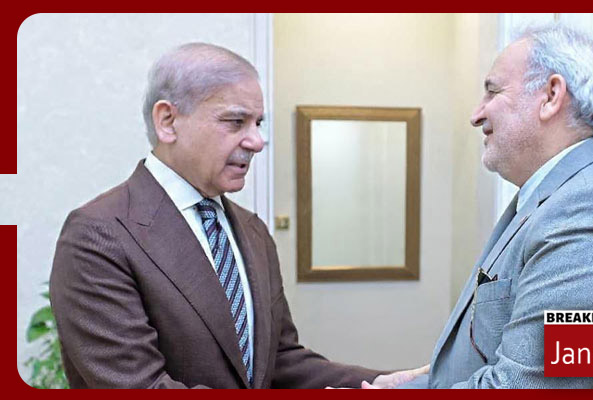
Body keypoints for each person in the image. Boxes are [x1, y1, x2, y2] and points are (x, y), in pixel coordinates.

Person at [49, 42, 423, 389]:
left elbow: (279, 362)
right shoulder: (98, 235)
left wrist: (382, 383)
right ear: (167, 121)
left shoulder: (252, 230)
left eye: (258, 123)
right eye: (235, 122)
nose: (256, 141)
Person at [384, 24, 593, 389]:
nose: (476, 114)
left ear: (551, 96)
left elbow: (519, 387)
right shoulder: (552, 202)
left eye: (493, 91)